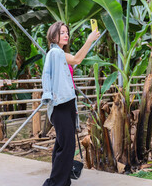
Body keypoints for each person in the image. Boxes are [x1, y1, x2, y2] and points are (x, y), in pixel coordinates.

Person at [42, 21, 100, 186]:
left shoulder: (60, 54)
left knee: (62, 145)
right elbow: (77, 59)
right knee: (67, 146)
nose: (66, 34)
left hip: (67, 104)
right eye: (62, 32)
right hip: (60, 105)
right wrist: (89, 40)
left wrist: (73, 108)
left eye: (67, 32)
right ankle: (54, 183)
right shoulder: (55, 53)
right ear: (53, 36)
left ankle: (62, 181)